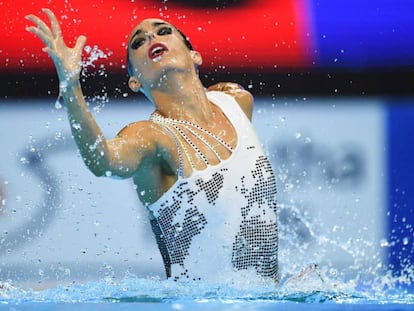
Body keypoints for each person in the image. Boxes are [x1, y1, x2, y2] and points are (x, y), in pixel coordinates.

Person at [26, 8, 278, 283]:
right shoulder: (151, 138)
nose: (151, 37)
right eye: (138, 42)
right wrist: (71, 85)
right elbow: (103, 161)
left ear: (194, 55)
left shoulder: (236, 101)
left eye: (163, 31)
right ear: (135, 81)